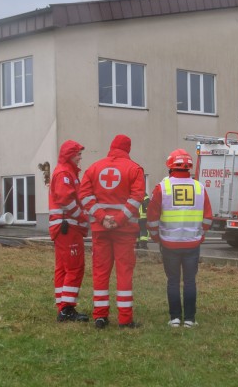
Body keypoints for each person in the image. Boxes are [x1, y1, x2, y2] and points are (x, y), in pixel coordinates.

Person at [79, 134, 146, 329]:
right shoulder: (134, 169)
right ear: (128, 149)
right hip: (124, 231)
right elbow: (136, 198)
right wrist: (118, 220)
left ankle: (100, 317)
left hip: (101, 229)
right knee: (124, 272)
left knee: (100, 272)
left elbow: (84, 196)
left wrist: (101, 217)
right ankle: (125, 319)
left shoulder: (94, 168)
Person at [147, 149, 213, 328]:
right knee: (190, 281)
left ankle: (175, 318)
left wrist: (155, 236)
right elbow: (208, 217)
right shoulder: (199, 187)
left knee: (173, 281)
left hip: (169, 243)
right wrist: (202, 233)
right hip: (192, 242)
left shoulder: (163, 187)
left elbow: (152, 215)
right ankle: (190, 319)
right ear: (189, 166)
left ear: (170, 166)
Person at [49, 140, 90, 322]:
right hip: (68, 226)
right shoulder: (65, 172)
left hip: (63, 227)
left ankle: (62, 306)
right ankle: (67, 309)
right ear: (70, 155)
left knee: (63, 268)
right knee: (75, 267)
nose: (80, 157)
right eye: (78, 154)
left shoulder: (66, 171)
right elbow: (66, 199)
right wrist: (82, 216)